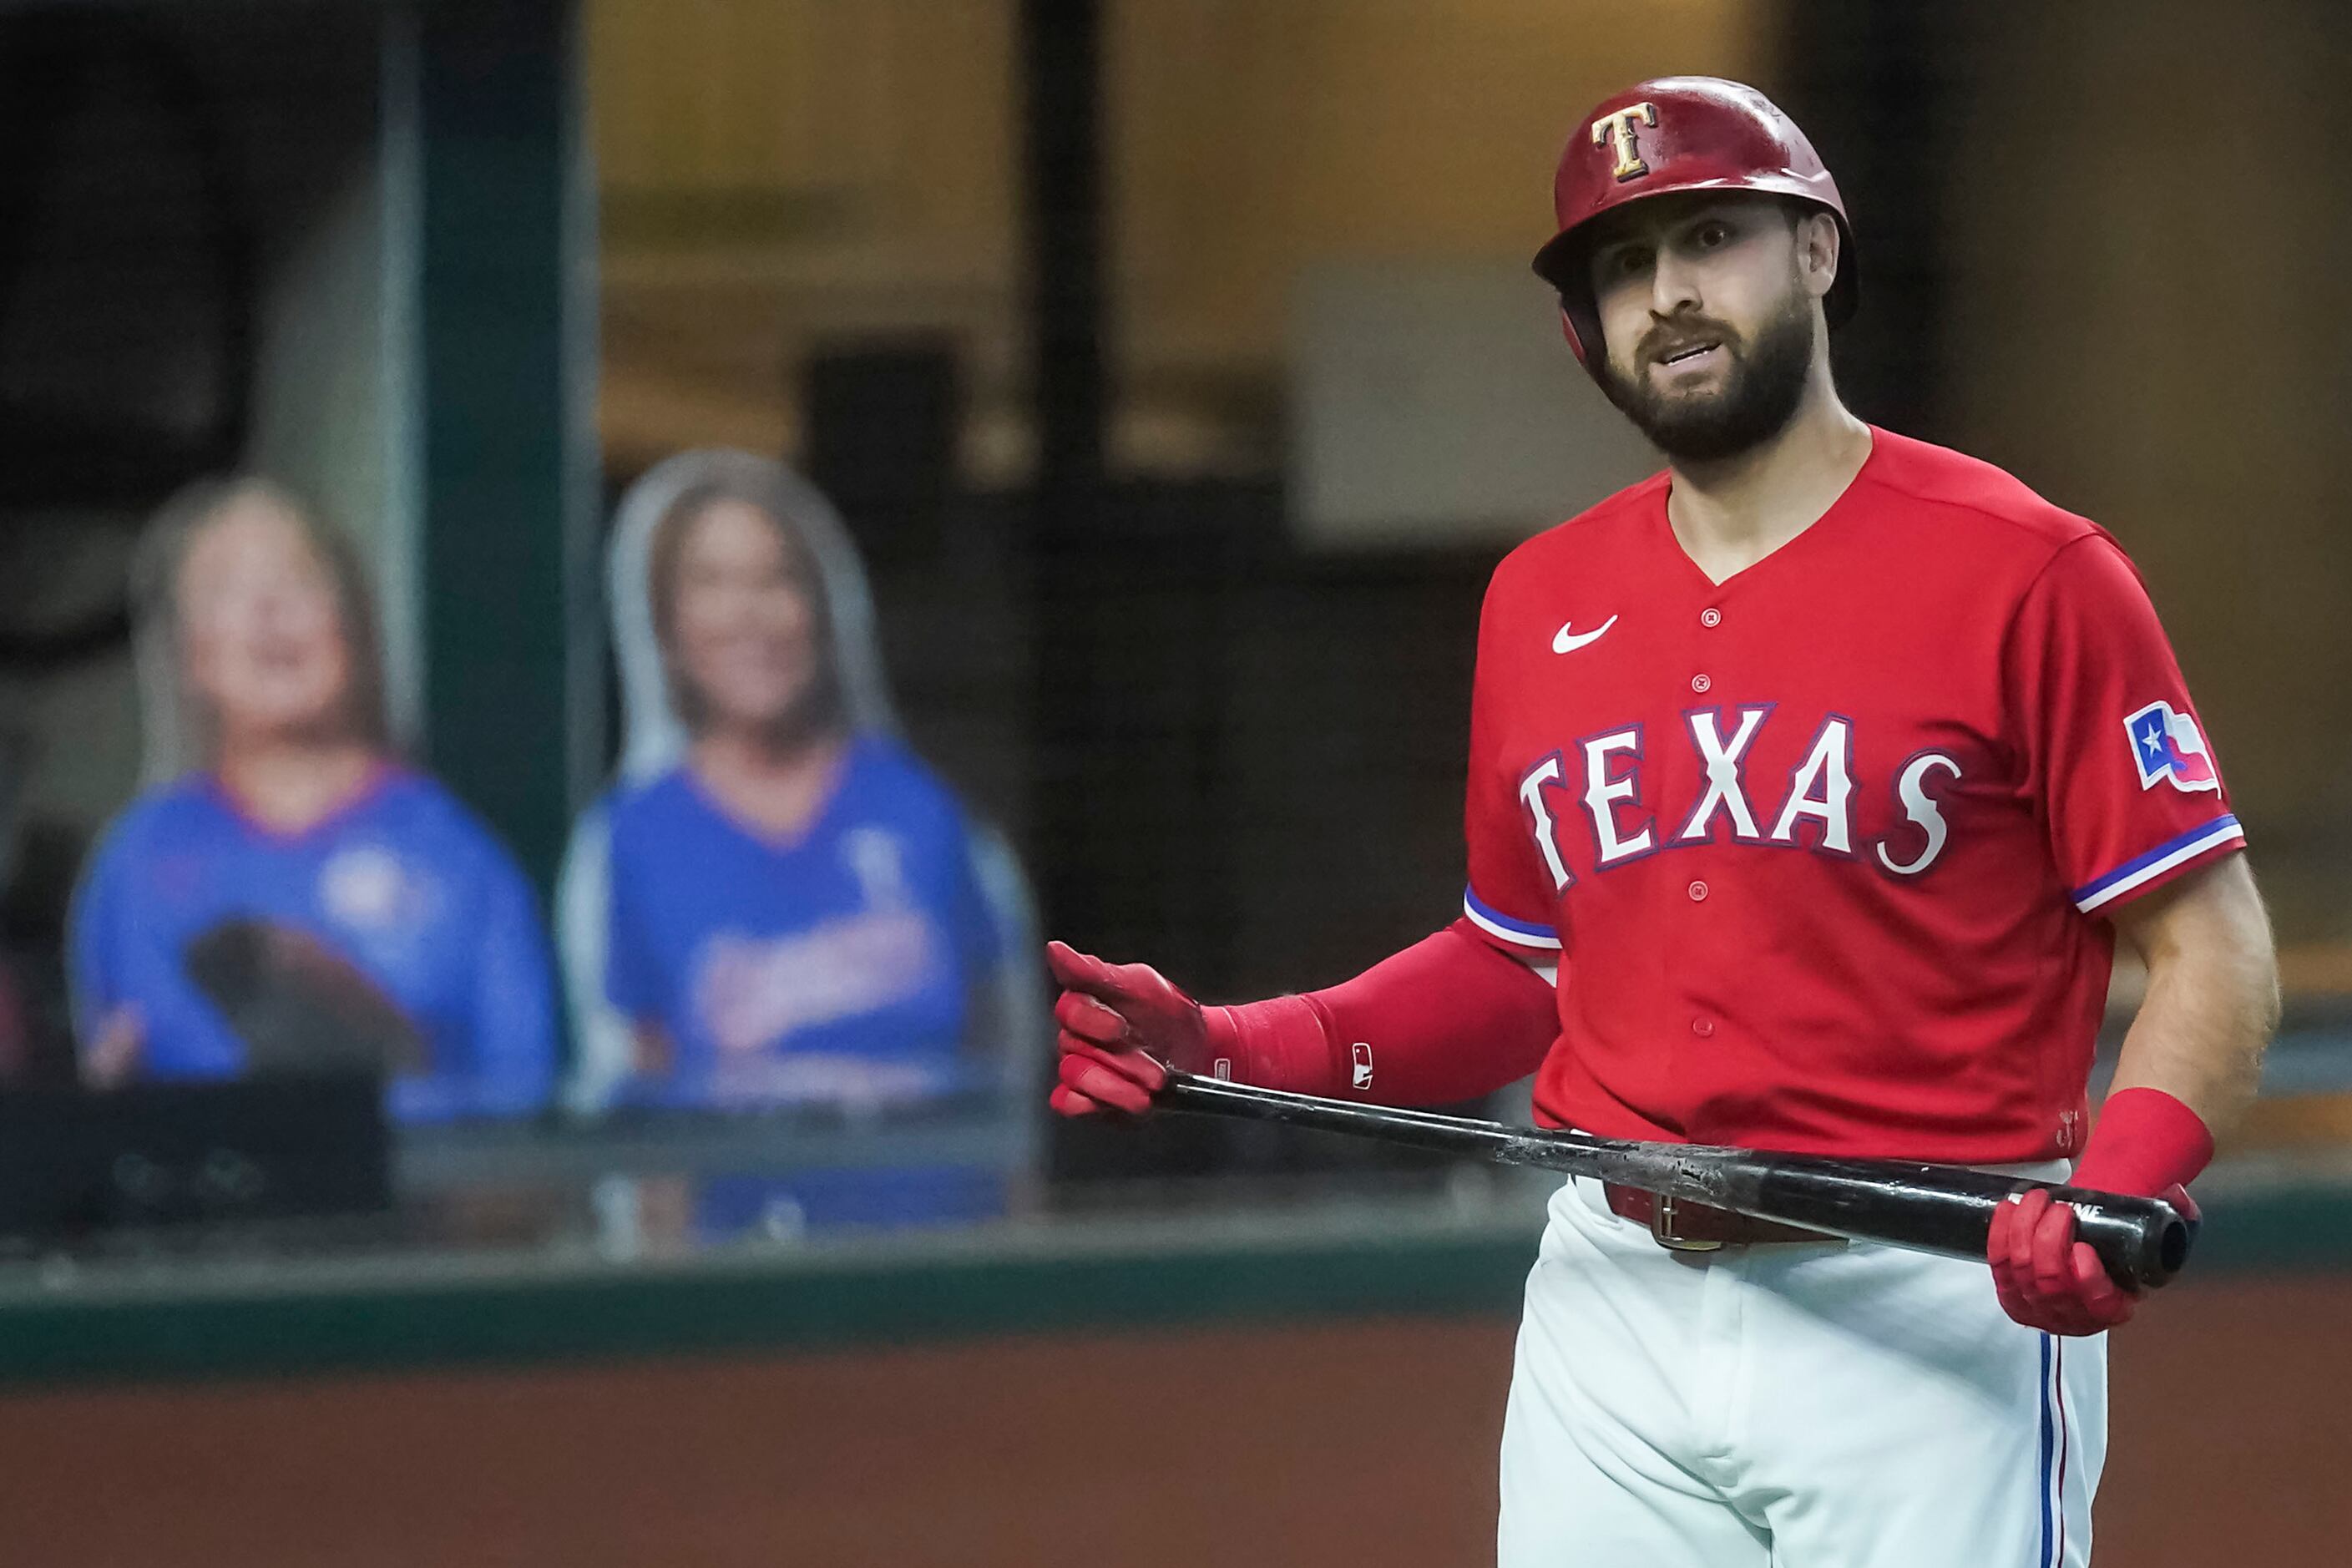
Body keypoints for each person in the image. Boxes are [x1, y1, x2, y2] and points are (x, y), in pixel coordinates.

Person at [1045, 77, 2278, 1566]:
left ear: (1815, 249)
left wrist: (2116, 1183)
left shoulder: (2029, 571)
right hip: (1607, 1294)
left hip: (1924, 1285)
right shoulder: (1538, 598)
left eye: (1710, 237)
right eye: (1621, 267)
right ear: (1582, 327)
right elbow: (1520, 963)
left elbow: (2210, 947)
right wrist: (1237, 1045)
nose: (1668, 292)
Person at [558, 450, 1039, 1232]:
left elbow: (1003, 1077)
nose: (747, 612)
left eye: (774, 581)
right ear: (666, 625)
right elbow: (644, 1122)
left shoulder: (920, 812)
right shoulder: (632, 839)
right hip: (744, 1299)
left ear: (819, 608)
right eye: (712, 584)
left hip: (938, 1273)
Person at [70, 478, 559, 1121]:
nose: (269, 606)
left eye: (298, 580)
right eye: (227, 589)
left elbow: (527, 1149)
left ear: (350, 625)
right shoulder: (133, 865)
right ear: (191, 655)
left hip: (410, 1219)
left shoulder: (458, 857)